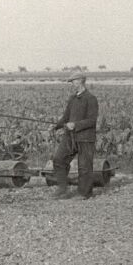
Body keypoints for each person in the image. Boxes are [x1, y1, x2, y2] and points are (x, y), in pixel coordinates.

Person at [49, 71, 98, 199]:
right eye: (71, 82)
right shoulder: (72, 98)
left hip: (85, 138)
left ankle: (85, 193)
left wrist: (76, 125)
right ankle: (62, 189)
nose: (72, 84)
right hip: (70, 136)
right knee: (59, 159)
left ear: (81, 81)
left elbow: (92, 121)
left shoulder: (91, 98)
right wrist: (56, 126)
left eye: (74, 81)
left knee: (84, 166)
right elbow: (66, 117)